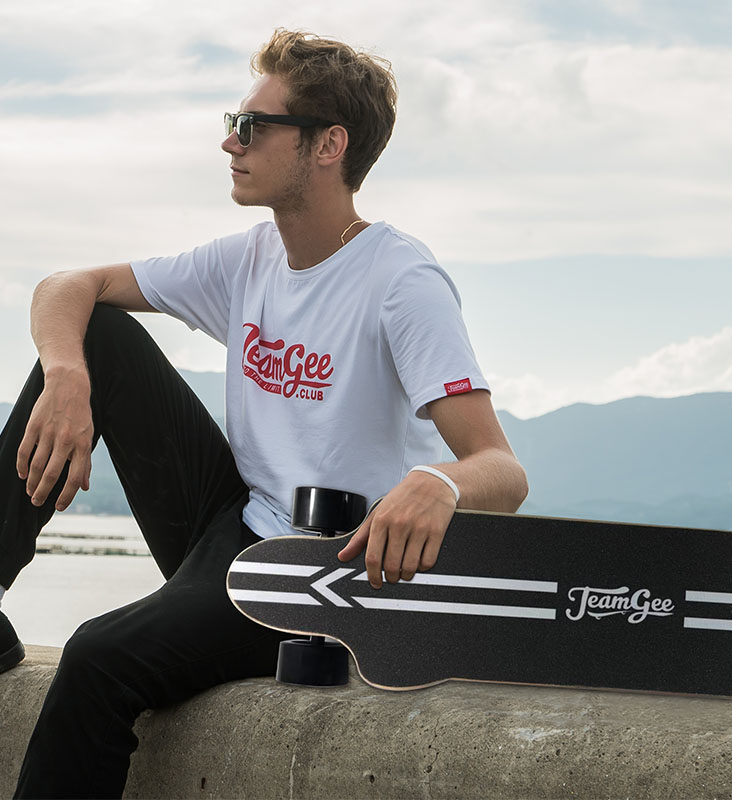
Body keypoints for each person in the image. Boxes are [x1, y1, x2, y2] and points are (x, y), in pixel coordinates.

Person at [0, 29, 528, 798]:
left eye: (251, 126)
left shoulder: (400, 281)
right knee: (99, 335)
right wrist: (67, 377)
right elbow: (65, 285)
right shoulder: (250, 257)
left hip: (328, 575)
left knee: (98, 658)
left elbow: (502, 471)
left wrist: (439, 483)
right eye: (233, 123)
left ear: (327, 145)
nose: (229, 142)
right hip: (238, 523)